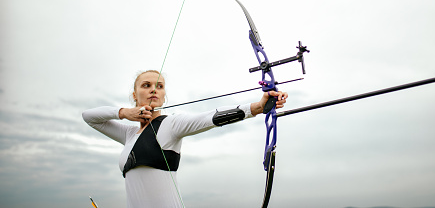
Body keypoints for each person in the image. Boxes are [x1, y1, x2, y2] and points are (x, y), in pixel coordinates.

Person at [82, 69, 288, 208]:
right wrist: (124, 112)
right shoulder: (128, 134)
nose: (154, 89)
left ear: (164, 95)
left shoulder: (170, 125)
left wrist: (257, 108)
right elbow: (89, 117)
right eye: (146, 85)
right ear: (134, 94)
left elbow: (209, 117)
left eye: (159, 86)